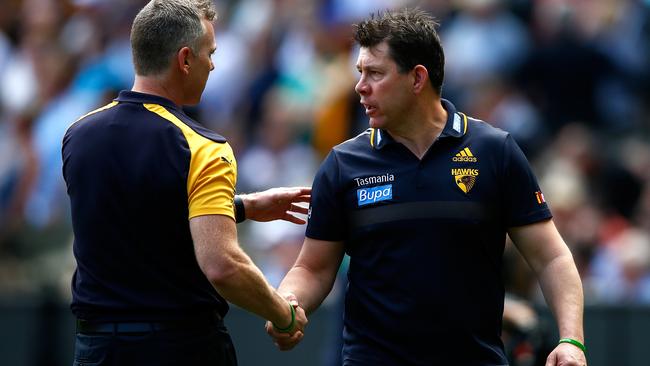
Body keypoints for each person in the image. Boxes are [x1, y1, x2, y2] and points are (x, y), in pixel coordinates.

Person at [266, 8, 587, 366]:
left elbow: (552, 257)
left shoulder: (495, 151)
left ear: (417, 78)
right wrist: (289, 301)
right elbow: (312, 268)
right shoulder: (343, 164)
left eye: (374, 73)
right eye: (360, 73)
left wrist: (572, 340)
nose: (360, 86)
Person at [61, 1, 308, 365]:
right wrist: (283, 314)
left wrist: (241, 207)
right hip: (179, 348)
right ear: (185, 59)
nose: (213, 64)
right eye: (210, 53)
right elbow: (222, 264)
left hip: (96, 351)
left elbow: (139, 218)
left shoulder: (77, 135)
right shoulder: (203, 147)